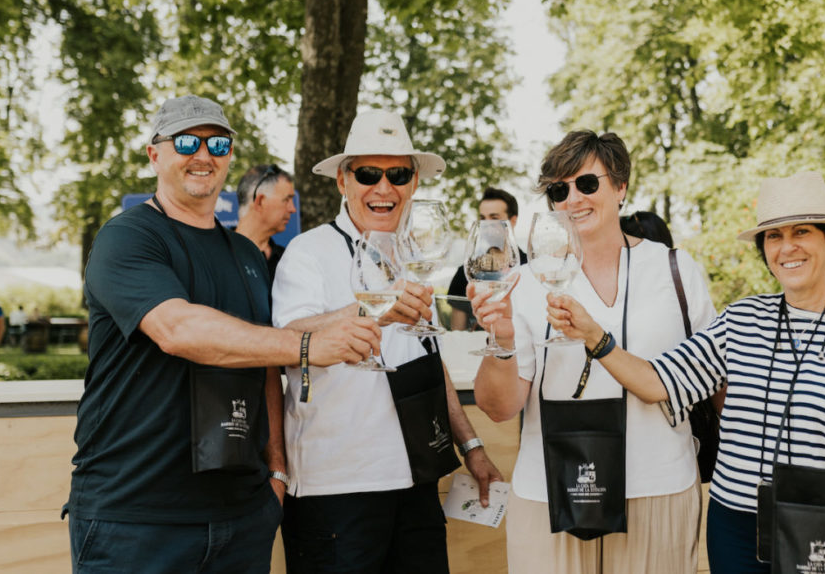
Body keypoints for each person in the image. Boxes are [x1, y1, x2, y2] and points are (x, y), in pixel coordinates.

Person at [548, 170, 825, 573]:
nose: (787, 248)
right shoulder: (741, 319)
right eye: (773, 236)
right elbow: (659, 382)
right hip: (734, 527)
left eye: (801, 232)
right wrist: (595, 336)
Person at [66, 94, 382, 574]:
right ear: (155, 154)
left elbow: (265, 366)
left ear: (230, 156)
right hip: (136, 518)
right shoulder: (128, 237)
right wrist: (308, 345)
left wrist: (276, 471)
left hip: (240, 517)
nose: (203, 154)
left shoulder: (247, 255)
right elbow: (178, 329)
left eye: (218, 143)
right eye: (187, 141)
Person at [471, 130, 716, 573]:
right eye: (558, 190)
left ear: (621, 187)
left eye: (587, 184)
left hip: (657, 486)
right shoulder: (524, 284)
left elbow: (709, 381)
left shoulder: (674, 270)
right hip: (550, 493)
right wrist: (501, 340)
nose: (571, 200)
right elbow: (499, 407)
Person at [271, 109, 503, 574]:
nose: (384, 187)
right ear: (343, 181)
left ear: (413, 183)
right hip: (336, 490)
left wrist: (472, 446)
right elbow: (286, 340)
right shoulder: (309, 252)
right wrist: (370, 309)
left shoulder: (412, 255)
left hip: (416, 482)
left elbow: (426, 361)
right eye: (368, 174)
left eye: (397, 174)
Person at [448, 187, 528, 331]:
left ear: (513, 221)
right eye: (482, 218)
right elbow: (457, 333)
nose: (486, 224)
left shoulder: (531, 268)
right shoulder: (466, 274)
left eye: (494, 218)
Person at [236, 163, 297, 282]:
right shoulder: (215, 255)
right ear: (260, 201)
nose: (293, 209)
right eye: (286, 200)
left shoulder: (289, 261)